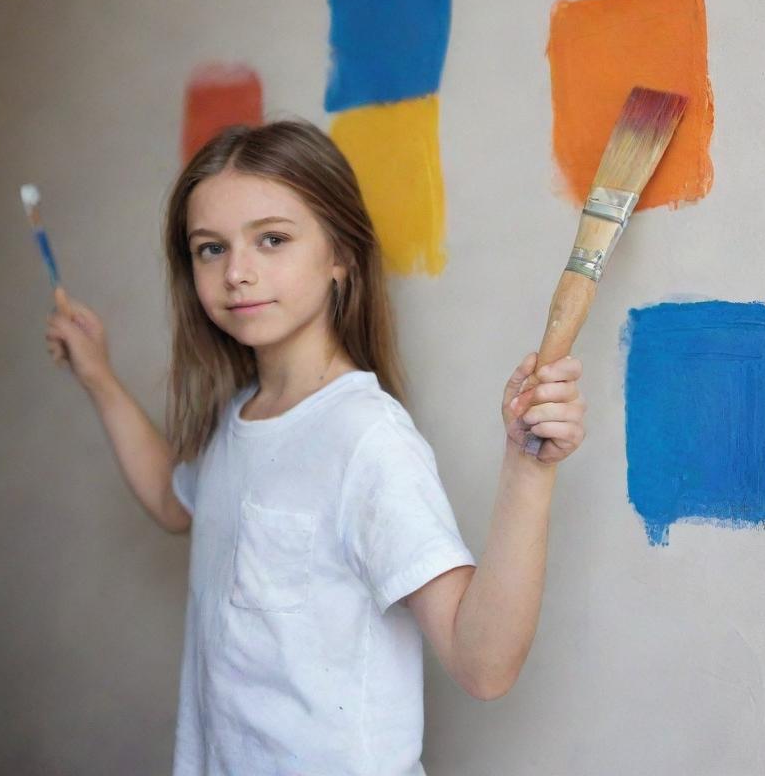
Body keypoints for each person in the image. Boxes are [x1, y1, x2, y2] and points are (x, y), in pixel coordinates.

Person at [45, 118, 586, 775]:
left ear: (340, 256)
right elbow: (172, 499)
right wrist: (98, 377)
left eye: (271, 239)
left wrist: (529, 470)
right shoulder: (235, 418)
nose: (237, 272)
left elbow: (484, 664)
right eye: (209, 249)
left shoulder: (367, 439)